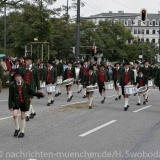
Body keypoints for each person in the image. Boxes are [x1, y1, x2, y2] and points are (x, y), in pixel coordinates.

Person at [8, 69, 44, 138]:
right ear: (14, 77)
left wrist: (39, 94)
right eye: (16, 76)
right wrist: (10, 105)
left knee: (22, 116)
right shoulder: (12, 85)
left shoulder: (26, 84)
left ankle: (22, 131)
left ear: (21, 77)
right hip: (16, 102)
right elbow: (10, 96)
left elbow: (32, 92)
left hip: (24, 102)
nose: (17, 78)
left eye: (18, 76)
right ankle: (17, 128)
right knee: (15, 115)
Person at [22, 55, 40, 121]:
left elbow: (37, 79)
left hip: (31, 87)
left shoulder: (35, 69)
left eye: (27, 60)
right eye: (25, 60)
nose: (25, 61)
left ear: (31, 61)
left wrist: (38, 88)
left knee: (29, 100)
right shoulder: (23, 69)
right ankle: (32, 112)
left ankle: (27, 115)